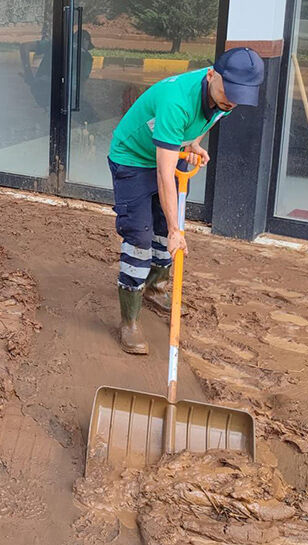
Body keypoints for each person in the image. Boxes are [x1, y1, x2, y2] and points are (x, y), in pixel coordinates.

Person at [107, 48, 265, 355]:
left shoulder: (226, 96)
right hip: (132, 158)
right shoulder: (176, 101)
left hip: (170, 151)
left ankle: (155, 286)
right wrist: (177, 229)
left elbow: (207, 119)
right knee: (140, 236)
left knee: (165, 234)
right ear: (211, 74)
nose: (231, 101)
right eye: (228, 92)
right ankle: (130, 321)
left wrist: (192, 143)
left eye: (239, 95)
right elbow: (165, 175)